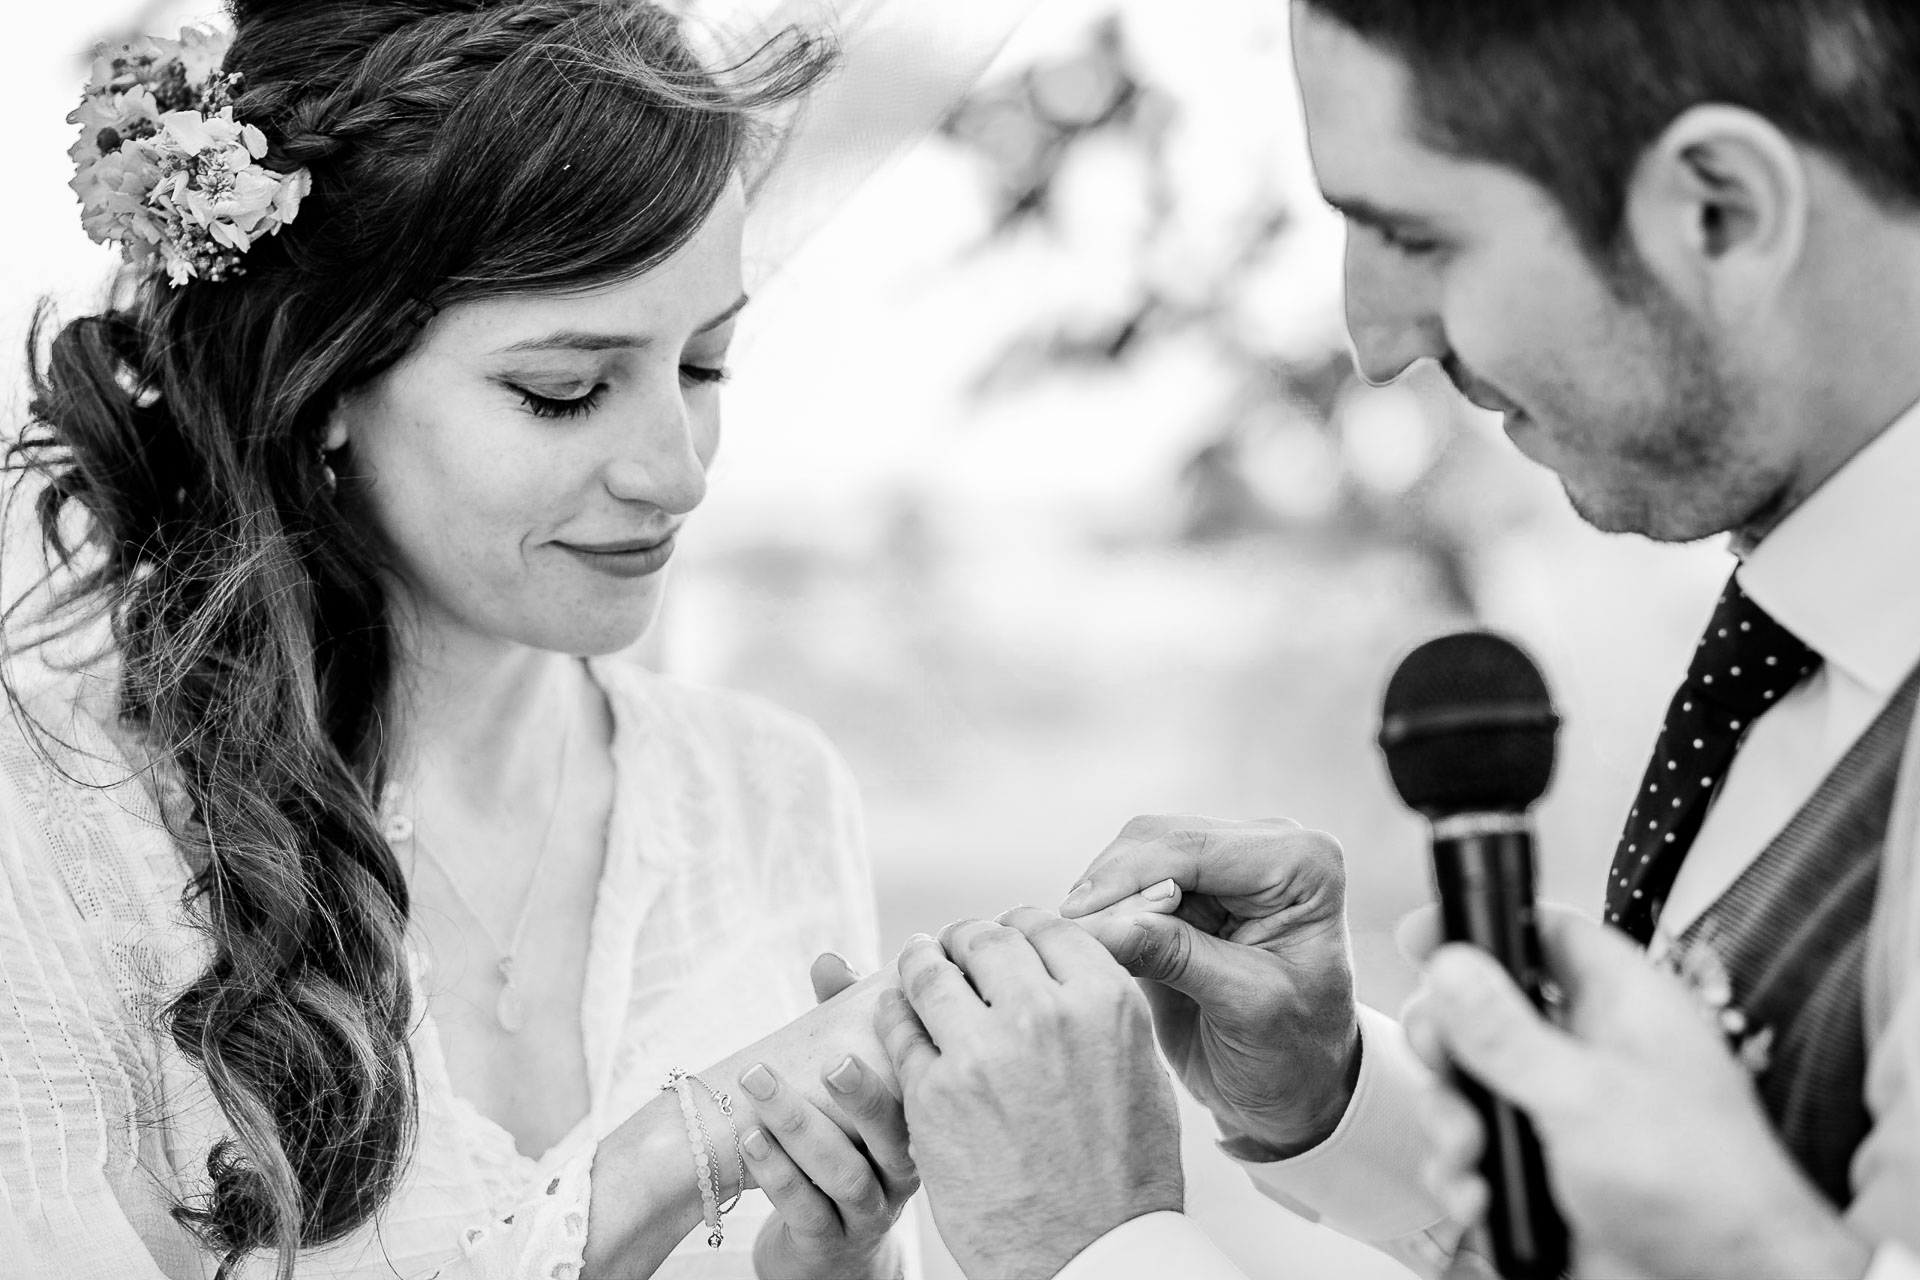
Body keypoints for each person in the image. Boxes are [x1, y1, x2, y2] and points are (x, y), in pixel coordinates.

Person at [874, 1, 1920, 1277]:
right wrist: (1334, 1099)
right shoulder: (1799, 654)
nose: (1377, 342)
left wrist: (1090, 1243)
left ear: (1721, 210)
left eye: (1416, 233)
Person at [0, 2, 966, 1276]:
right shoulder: (60, 828)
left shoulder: (770, 793)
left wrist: (830, 1261)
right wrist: (668, 1162)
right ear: (327, 381)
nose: (676, 474)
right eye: (563, 391)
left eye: (706, 366)